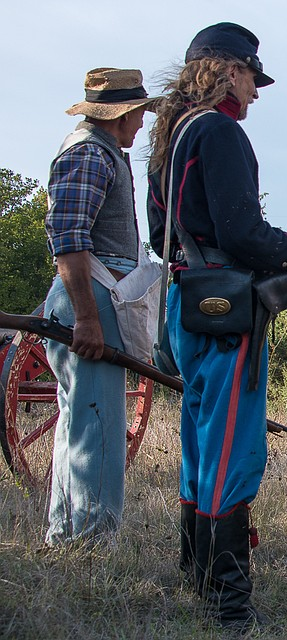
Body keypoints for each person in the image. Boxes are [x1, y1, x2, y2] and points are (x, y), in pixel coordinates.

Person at [146, 23, 287, 629]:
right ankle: (230, 603)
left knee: (201, 445)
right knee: (231, 448)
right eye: (253, 76)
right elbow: (242, 235)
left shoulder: (173, 136)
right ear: (228, 70)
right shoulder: (220, 131)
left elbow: (161, 237)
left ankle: (197, 575)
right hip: (225, 310)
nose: (257, 91)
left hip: (186, 304)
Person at [43, 67, 156, 546]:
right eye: (139, 115)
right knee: (100, 428)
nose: (142, 124)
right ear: (122, 114)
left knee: (78, 423)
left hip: (92, 293)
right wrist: (88, 318)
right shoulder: (90, 153)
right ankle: (91, 544)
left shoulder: (99, 152)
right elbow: (68, 241)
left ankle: (67, 535)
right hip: (92, 296)